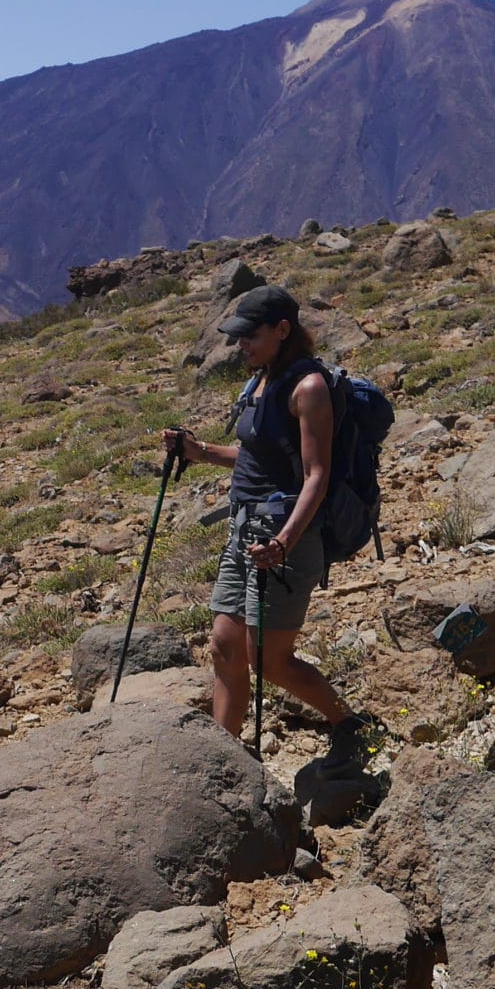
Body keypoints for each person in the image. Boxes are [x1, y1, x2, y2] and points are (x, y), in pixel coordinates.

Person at [161, 287, 377, 768]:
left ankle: (350, 724)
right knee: (224, 645)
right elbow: (259, 456)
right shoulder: (261, 381)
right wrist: (198, 452)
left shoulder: (309, 388)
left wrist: (284, 542)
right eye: (238, 337)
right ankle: (224, 757)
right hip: (245, 530)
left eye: (250, 336)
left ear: (282, 330)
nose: (241, 345)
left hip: (286, 539)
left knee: (268, 660)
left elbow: (316, 475)